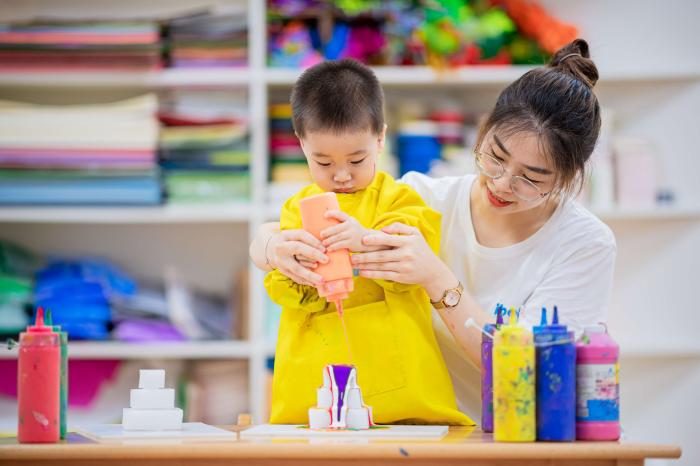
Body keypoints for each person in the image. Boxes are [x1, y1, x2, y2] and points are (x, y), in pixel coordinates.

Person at [251, 39, 616, 418]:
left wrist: (436, 279)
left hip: (520, 436)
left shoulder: (584, 243)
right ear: (482, 130)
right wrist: (273, 245)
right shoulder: (421, 196)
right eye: (495, 157)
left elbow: (533, 378)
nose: (503, 182)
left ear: (569, 178)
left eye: (531, 177)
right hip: (420, 434)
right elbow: (275, 235)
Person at [260, 58, 470, 425]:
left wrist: (365, 240)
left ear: (380, 138)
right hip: (311, 386)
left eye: (357, 159)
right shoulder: (296, 210)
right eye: (322, 162)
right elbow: (283, 289)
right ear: (301, 144)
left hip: (404, 392)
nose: (341, 175)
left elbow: (410, 254)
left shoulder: (399, 200)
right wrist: (297, 269)